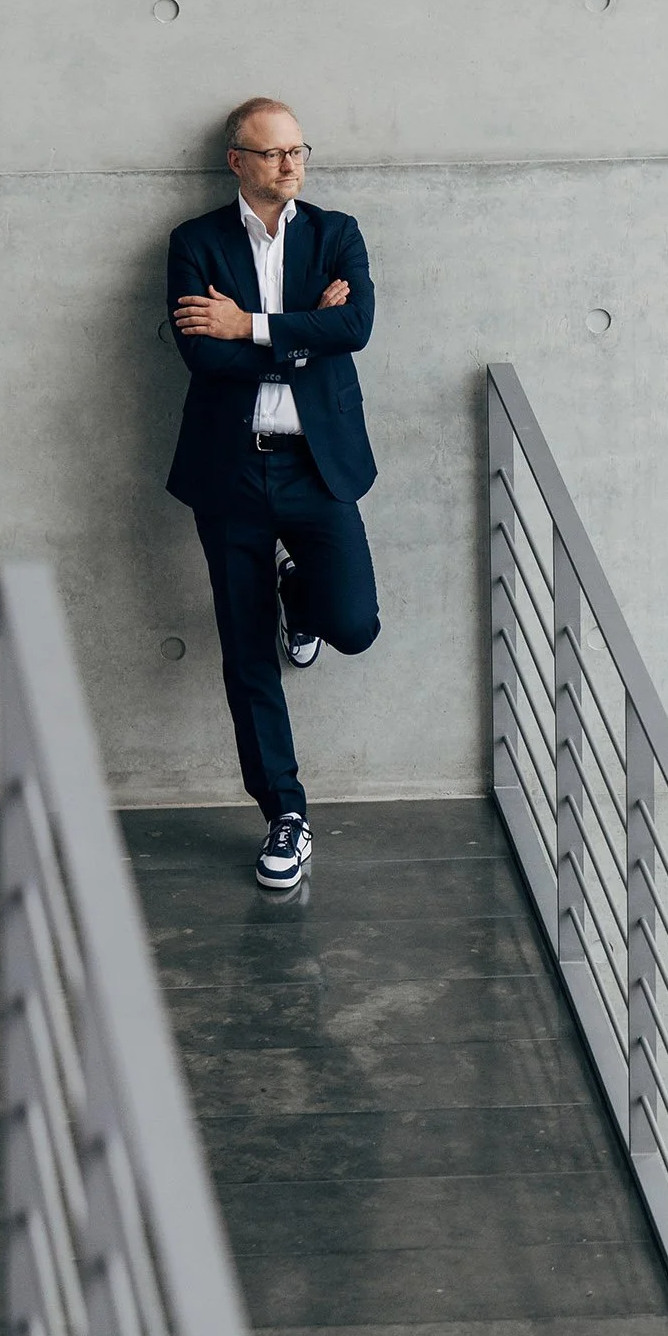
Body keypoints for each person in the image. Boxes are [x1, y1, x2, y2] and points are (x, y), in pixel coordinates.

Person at [167, 97, 380, 889]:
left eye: (299, 150)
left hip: (316, 467)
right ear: (237, 162)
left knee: (355, 624)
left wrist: (251, 326)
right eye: (273, 153)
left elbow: (355, 327)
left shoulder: (337, 234)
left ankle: (304, 594)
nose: (291, 165)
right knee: (248, 653)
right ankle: (284, 814)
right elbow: (202, 358)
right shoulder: (194, 244)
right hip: (230, 473)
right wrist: (299, 336)